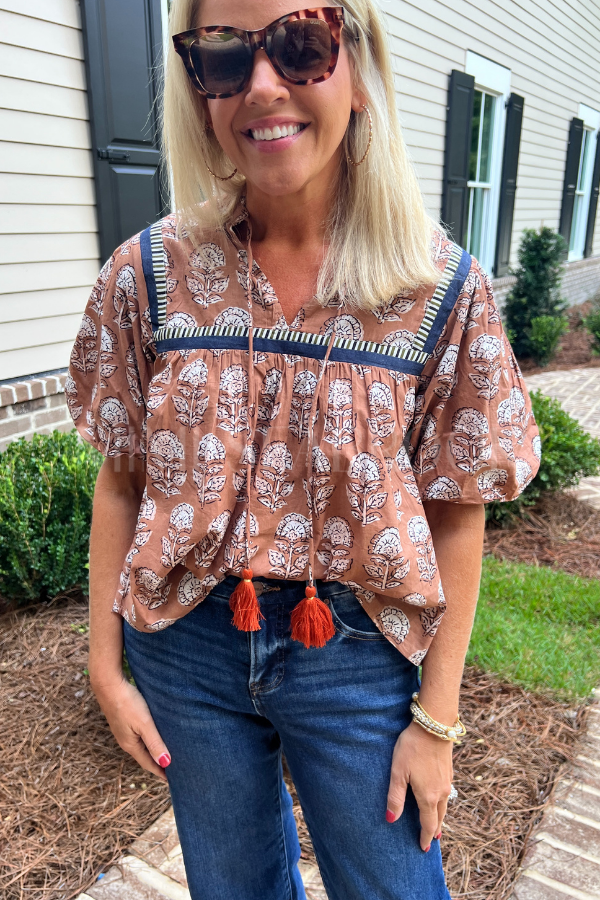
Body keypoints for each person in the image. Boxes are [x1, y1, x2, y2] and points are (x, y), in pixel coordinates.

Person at [67, 2, 541, 898]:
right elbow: (121, 480)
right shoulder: (147, 277)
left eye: (299, 46)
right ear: (198, 88)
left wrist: (437, 722)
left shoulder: (437, 287)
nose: (261, 86)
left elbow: (457, 508)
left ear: (356, 66)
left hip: (358, 656)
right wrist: (106, 668)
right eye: (222, 56)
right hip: (185, 650)